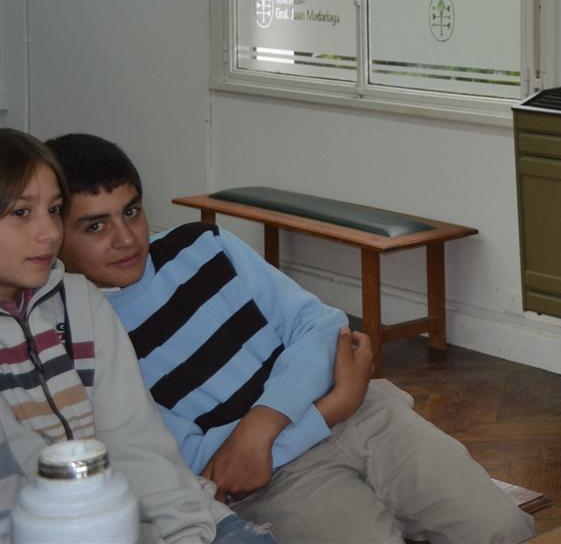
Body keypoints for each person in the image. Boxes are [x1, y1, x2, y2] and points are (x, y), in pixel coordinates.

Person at [47, 132, 534, 544]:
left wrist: (262, 423)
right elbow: (210, 468)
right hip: (280, 481)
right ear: (55, 235)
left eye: (131, 212)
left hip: (366, 418)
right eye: (95, 226)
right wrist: (330, 403)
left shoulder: (203, 245)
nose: (126, 238)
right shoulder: (79, 341)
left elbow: (321, 328)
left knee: (504, 528)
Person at [0, 128, 265, 543]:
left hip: (160, 516)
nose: (49, 233)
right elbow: (23, 484)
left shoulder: (80, 303)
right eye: (21, 213)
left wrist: (190, 533)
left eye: (53, 210)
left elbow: (135, 444)